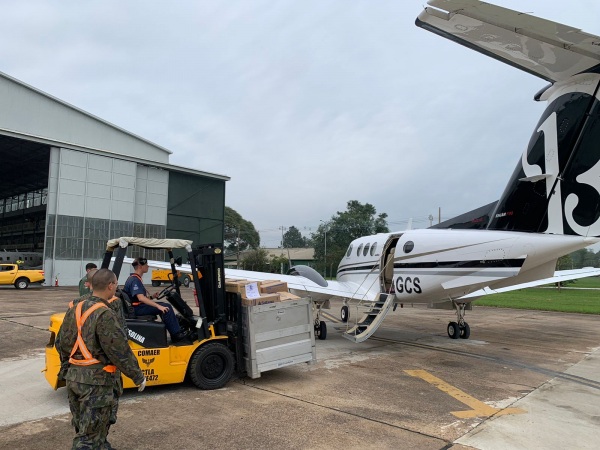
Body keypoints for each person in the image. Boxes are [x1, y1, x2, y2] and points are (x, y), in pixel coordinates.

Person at [56, 268, 145, 449]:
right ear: (110, 285)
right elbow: (119, 350)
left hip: (74, 378)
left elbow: (61, 343)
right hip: (96, 384)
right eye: (116, 284)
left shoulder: (75, 308)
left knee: (89, 429)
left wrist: (67, 367)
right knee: (88, 440)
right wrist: (137, 376)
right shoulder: (105, 313)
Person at [68, 267, 128, 430]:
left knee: (82, 420)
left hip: (76, 370)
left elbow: (65, 341)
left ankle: (98, 443)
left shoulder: (76, 304)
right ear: (109, 285)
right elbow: (120, 338)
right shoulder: (113, 303)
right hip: (102, 372)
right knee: (102, 417)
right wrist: (135, 373)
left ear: (89, 284)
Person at [123, 257, 189, 342]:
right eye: (146, 264)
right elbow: (141, 298)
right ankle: (176, 334)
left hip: (136, 307)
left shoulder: (133, 278)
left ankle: (175, 329)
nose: (148, 266)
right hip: (137, 309)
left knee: (163, 306)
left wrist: (152, 297)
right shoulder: (135, 280)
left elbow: (136, 298)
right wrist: (158, 306)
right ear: (140, 266)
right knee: (166, 307)